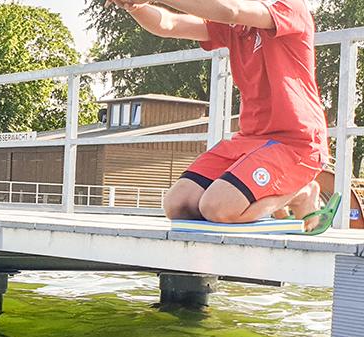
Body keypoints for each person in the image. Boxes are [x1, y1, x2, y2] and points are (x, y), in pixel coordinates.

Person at [110, 0, 331, 233]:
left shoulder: (288, 7)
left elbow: (230, 10)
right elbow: (169, 23)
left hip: (295, 141)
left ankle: (300, 193)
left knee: (217, 208)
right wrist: (134, 6)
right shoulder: (235, 27)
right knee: (178, 205)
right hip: (250, 140)